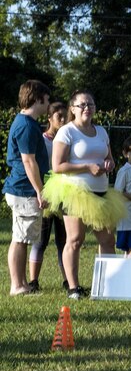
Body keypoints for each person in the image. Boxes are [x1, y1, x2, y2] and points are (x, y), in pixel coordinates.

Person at [43, 89, 126, 299]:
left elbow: (110, 159)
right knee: (75, 239)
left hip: (101, 193)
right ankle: (74, 288)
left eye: (90, 104)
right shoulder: (67, 132)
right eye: (82, 105)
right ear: (73, 109)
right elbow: (58, 165)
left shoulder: (101, 132)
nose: (87, 108)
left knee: (107, 240)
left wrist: (109, 164)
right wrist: (87, 167)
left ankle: (109, 286)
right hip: (75, 193)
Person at [4, 80, 51, 296]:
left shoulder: (27, 123)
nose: (48, 104)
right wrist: (40, 191)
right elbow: (28, 161)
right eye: (47, 99)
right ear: (37, 98)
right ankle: (17, 285)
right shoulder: (25, 125)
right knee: (20, 239)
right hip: (24, 190)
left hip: (24, 189)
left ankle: (22, 283)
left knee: (22, 237)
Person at [28, 100, 68, 292]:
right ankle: (33, 281)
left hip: (64, 195)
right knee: (40, 239)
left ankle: (68, 279)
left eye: (65, 116)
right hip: (45, 193)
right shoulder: (42, 140)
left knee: (64, 240)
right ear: (49, 118)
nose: (62, 120)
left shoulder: (68, 138)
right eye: (59, 116)